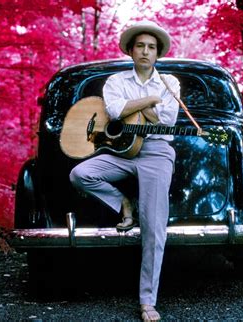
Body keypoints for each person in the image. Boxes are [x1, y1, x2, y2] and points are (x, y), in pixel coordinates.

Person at [69, 20, 180, 321]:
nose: (146, 51)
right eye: (140, 46)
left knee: (154, 229)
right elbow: (116, 112)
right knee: (80, 174)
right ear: (131, 51)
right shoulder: (115, 81)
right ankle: (123, 203)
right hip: (121, 151)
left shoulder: (170, 82)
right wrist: (151, 100)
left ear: (157, 54)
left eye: (151, 47)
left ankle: (147, 302)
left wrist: (143, 105)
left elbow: (167, 122)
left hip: (156, 153)